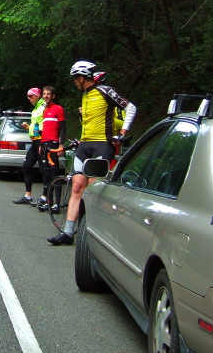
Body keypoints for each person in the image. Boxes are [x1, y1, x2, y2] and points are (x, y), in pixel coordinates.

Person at [49, 61, 136, 244]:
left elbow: (130, 108)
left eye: (75, 79)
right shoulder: (85, 96)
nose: (74, 83)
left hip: (102, 145)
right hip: (85, 145)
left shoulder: (106, 91)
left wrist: (122, 133)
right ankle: (68, 233)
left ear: (81, 78)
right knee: (76, 186)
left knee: (93, 190)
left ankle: (93, 235)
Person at [33, 87, 66, 210]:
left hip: (53, 144)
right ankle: (49, 201)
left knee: (54, 174)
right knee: (46, 174)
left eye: (48, 94)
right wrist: (41, 144)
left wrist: (61, 145)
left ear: (53, 96)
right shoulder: (45, 110)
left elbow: (63, 128)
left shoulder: (58, 109)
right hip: (45, 143)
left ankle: (57, 203)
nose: (46, 96)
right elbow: (45, 129)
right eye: (44, 94)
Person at [13, 88, 46, 205]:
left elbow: (46, 124)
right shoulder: (36, 108)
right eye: (27, 96)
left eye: (31, 96)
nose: (28, 98)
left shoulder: (44, 107)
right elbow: (36, 124)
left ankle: (45, 197)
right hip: (34, 141)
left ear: (37, 96)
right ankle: (28, 196)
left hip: (42, 141)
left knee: (44, 169)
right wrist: (28, 127)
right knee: (26, 166)